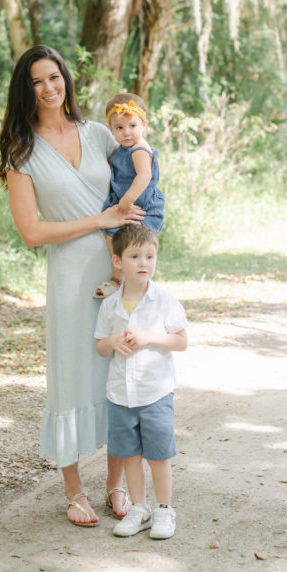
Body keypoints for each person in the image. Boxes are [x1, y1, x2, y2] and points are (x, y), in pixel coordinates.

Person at [0, 45, 144, 527]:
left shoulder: (99, 133)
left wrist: (133, 251)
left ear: (66, 80)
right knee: (70, 377)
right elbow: (32, 232)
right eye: (37, 81)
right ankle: (74, 491)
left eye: (54, 77)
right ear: (27, 89)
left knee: (118, 374)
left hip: (114, 269)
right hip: (68, 276)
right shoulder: (24, 152)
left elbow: (139, 179)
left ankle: (116, 484)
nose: (48, 88)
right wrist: (96, 219)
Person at [94, 223, 188, 539]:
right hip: (121, 395)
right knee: (130, 455)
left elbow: (180, 341)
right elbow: (100, 346)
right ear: (118, 261)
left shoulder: (164, 301)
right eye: (135, 256)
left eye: (150, 256)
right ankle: (140, 507)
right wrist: (114, 342)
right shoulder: (110, 305)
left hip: (155, 393)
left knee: (158, 456)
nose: (144, 263)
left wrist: (150, 337)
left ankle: (164, 510)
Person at [95, 92, 165, 298]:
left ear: (144, 125)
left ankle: (138, 283)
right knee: (112, 237)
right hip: (124, 204)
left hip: (141, 206)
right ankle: (118, 278)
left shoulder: (139, 149)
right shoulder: (121, 150)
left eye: (133, 126)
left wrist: (127, 200)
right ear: (111, 130)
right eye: (119, 127)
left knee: (138, 245)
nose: (126, 132)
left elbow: (144, 175)